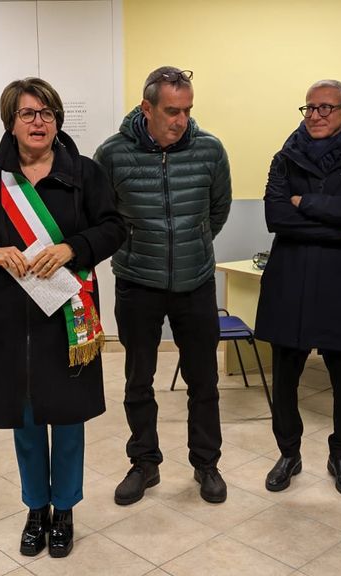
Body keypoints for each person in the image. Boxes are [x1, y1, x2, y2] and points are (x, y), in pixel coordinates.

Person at [0, 77, 124, 558]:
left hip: (69, 313)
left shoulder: (85, 173)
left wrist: (73, 248)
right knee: (24, 418)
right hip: (12, 321)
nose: (39, 122)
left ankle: (64, 509)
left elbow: (114, 228)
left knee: (67, 417)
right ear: (11, 121)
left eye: (47, 113)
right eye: (27, 113)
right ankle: (35, 507)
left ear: (57, 120)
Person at [94, 66, 232, 505]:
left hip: (196, 282)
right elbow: (103, 215)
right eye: (172, 111)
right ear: (146, 108)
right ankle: (144, 463)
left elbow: (218, 209)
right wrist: (137, 245)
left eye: (187, 110)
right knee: (139, 379)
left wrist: (193, 243)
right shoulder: (112, 154)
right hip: (138, 282)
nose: (181, 120)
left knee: (204, 380)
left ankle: (206, 464)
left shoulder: (210, 150)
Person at [254, 80, 341, 498]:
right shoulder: (285, 158)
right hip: (290, 281)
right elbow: (276, 217)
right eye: (309, 108)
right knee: (285, 378)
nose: (315, 115)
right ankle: (288, 453)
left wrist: (305, 203)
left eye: (325, 108)